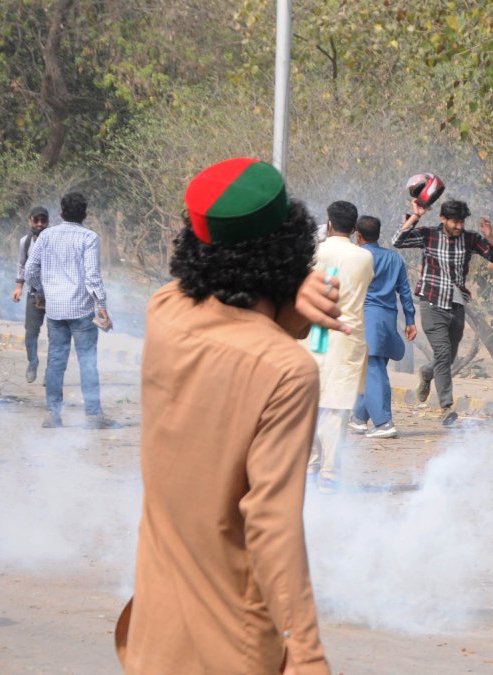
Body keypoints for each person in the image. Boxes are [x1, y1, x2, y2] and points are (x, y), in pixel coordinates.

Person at [116, 157, 330, 674]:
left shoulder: (163, 314)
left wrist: (286, 297)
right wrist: (307, 657)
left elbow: (204, 294)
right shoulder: (285, 371)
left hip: (155, 636)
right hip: (232, 644)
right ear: (292, 252)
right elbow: (271, 525)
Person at [391, 197, 493, 425]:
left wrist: (490, 236)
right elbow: (398, 241)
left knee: (448, 358)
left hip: (457, 305)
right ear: (443, 219)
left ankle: (427, 373)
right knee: (442, 353)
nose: (459, 226)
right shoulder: (428, 234)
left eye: (462, 222)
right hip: (431, 304)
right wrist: (416, 215)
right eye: (455, 222)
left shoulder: (470, 239)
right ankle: (446, 407)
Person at [24, 192, 116, 429]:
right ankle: (94, 416)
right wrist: (102, 306)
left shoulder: (46, 236)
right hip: (82, 310)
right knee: (87, 361)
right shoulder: (89, 238)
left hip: (55, 310)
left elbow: (30, 269)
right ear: (84, 215)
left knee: (56, 361)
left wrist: (40, 291)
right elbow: (93, 277)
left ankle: (53, 414)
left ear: (61, 213)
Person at [309, 201, 373, 493]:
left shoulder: (315, 251)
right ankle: (329, 474)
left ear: (329, 222)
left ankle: (310, 467)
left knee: (309, 402)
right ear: (355, 227)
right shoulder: (364, 257)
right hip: (347, 335)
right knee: (336, 406)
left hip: (314, 332)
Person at [349, 215, 417, 439]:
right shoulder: (394, 258)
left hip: (367, 318)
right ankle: (358, 418)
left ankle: (384, 422)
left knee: (372, 370)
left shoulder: (358, 256)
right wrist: (410, 320)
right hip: (388, 320)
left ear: (358, 235)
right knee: (374, 368)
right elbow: (405, 292)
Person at [11, 206, 49, 383]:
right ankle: (32, 362)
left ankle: (52, 372)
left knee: (55, 335)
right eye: (36, 220)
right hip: (34, 294)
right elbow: (21, 264)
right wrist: (19, 287)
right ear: (30, 221)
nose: (40, 224)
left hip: (54, 296)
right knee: (31, 333)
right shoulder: (25, 242)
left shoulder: (53, 240)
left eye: (43, 221)